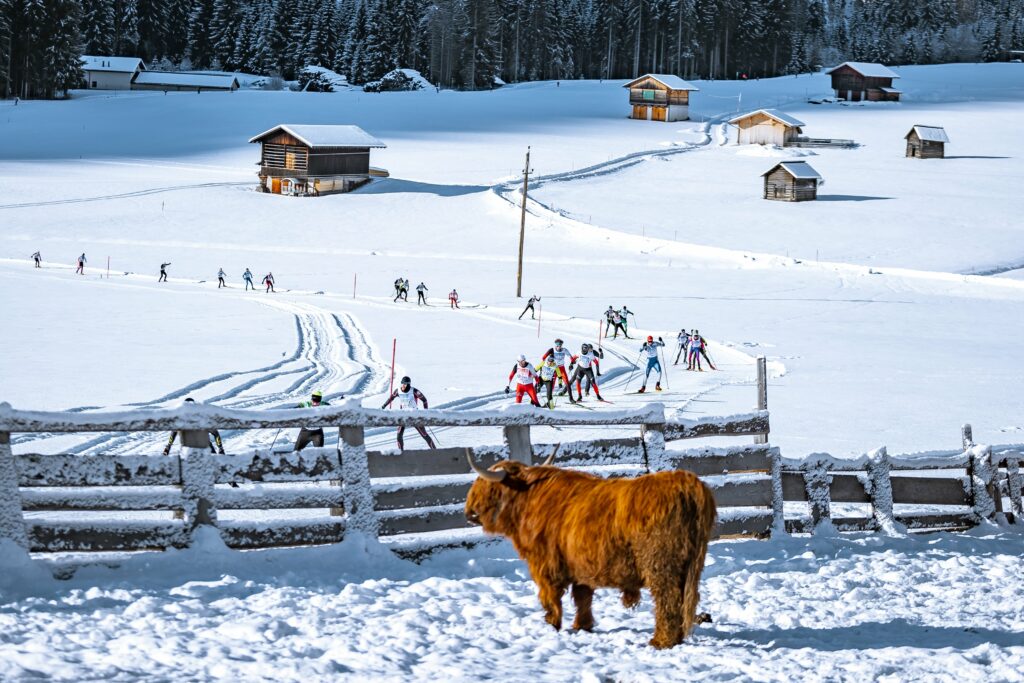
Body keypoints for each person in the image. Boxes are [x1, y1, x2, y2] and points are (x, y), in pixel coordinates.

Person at [381, 376, 436, 450]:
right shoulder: (398, 391)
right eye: (402, 383)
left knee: (424, 435)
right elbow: (391, 398)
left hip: (414, 415)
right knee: (399, 435)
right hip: (403, 415)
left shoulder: (414, 391)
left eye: (405, 384)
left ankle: (435, 451)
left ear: (408, 384)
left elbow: (424, 400)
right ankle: (401, 454)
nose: (403, 385)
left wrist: (425, 412)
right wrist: (384, 406)